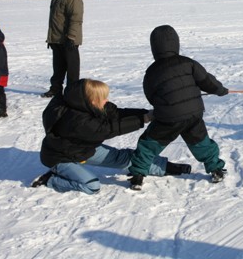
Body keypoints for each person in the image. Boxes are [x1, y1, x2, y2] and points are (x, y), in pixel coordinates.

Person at [32, 78, 191, 194]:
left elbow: (116, 114)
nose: (107, 100)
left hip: (83, 150)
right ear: (92, 101)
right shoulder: (76, 120)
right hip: (60, 158)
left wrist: (147, 113)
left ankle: (165, 167)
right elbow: (107, 129)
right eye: (103, 98)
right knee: (92, 186)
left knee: (126, 158)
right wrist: (143, 119)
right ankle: (50, 180)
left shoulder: (84, 103)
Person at [128, 25, 229, 190]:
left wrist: (161, 104)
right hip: (193, 114)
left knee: (148, 145)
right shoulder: (188, 62)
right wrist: (220, 90)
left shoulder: (152, 71)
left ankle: (138, 176)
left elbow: (150, 95)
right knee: (201, 142)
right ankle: (216, 169)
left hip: (168, 117)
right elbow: (207, 81)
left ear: (154, 48)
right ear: (176, 44)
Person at [41, 0, 83, 98]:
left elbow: (76, 18)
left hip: (69, 39)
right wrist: (51, 38)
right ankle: (55, 89)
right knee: (58, 67)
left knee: (72, 68)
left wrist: (71, 37)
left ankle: (72, 91)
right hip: (56, 38)